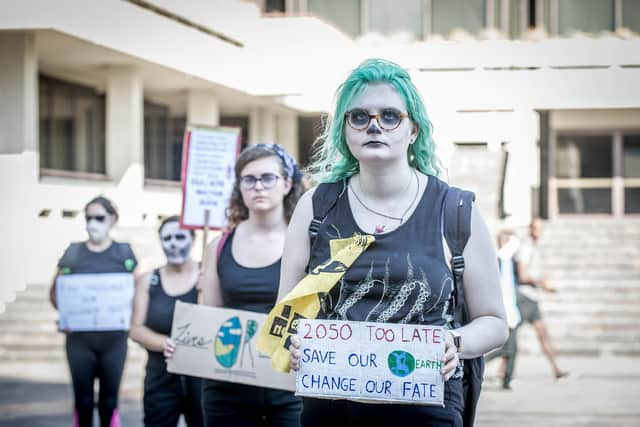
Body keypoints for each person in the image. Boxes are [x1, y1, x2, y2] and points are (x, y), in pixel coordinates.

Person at [281, 59, 508, 427]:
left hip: (425, 410)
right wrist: (296, 342)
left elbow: (495, 322)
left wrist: (455, 342)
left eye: (390, 116)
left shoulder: (455, 209)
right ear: (345, 130)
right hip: (331, 411)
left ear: (413, 130)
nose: (374, 126)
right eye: (359, 117)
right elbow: (287, 313)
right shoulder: (316, 206)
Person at [198, 143, 304, 427]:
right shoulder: (217, 246)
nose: (258, 186)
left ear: (287, 184)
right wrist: (185, 344)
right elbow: (206, 319)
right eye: (249, 179)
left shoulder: (309, 243)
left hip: (291, 387)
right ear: (239, 187)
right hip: (227, 390)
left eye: (268, 177)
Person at [49, 196, 137, 427]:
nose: (92, 223)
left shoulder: (124, 253)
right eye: (88, 218)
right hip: (79, 340)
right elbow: (56, 291)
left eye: (99, 218)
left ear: (112, 220)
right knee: (83, 400)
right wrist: (67, 313)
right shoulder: (73, 252)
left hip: (114, 340)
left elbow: (136, 291)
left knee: (110, 400)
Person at [129, 215, 204, 427]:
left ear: (193, 238)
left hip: (200, 377)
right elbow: (135, 329)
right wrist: (165, 343)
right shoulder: (148, 280)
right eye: (167, 238)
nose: (173, 243)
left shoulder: (207, 275)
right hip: (160, 376)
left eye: (180, 237)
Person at [516, 218, 569, 379]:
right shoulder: (525, 247)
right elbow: (523, 275)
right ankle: (499, 369)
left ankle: (556, 369)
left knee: (542, 333)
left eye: (541, 228)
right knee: (510, 338)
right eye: (536, 228)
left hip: (532, 297)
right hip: (524, 297)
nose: (539, 232)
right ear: (530, 230)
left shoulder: (534, 247)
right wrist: (542, 284)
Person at [485, 230, 522, 390]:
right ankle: (482, 362)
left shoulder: (510, 262)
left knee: (510, 348)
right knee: (509, 348)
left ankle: (506, 380)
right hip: (502, 310)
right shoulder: (496, 261)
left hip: (512, 310)